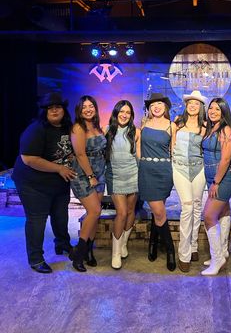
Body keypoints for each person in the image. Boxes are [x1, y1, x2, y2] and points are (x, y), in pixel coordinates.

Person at [12, 92, 76, 273]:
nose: (54, 110)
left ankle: (62, 244)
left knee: (61, 216)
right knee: (37, 220)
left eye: (58, 107)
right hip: (33, 183)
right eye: (50, 108)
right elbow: (29, 159)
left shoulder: (67, 127)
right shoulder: (37, 129)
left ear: (64, 110)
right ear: (45, 111)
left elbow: (67, 148)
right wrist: (59, 168)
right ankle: (36, 259)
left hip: (57, 181)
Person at [138, 92, 176, 272]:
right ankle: (170, 251)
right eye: (153, 104)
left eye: (160, 103)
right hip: (147, 171)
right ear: (149, 108)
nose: (156, 106)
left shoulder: (171, 125)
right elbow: (138, 149)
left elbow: (172, 151)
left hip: (164, 172)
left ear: (165, 106)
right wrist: (143, 164)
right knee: (160, 212)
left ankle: (152, 243)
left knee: (157, 212)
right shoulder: (144, 124)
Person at [69, 95, 106, 272]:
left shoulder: (96, 126)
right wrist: (91, 175)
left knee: (94, 215)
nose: (88, 109)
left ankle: (88, 252)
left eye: (91, 106)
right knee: (95, 210)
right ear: (79, 110)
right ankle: (78, 253)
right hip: (84, 175)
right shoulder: (78, 127)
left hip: (100, 173)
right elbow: (80, 154)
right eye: (84, 107)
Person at [201, 98, 231, 276]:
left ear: (224, 111)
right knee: (223, 213)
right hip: (212, 177)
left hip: (222, 179)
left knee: (208, 216)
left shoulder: (226, 129)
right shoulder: (211, 128)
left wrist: (216, 181)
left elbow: (225, 159)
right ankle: (222, 251)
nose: (213, 111)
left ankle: (217, 259)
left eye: (217, 108)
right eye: (211, 108)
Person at [172, 90, 207, 272]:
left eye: (196, 103)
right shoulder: (177, 123)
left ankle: (193, 246)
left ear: (201, 107)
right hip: (179, 168)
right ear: (186, 105)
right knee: (187, 207)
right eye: (190, 103)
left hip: (199, 168)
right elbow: (172, 147)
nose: (193, 105)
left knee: (197, 205)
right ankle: (183, 253)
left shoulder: (205, 126)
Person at [105, 100, 140, 270]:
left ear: (131, 115)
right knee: (122, 212)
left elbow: (138, 156)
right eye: (122, 111)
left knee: (131, 211)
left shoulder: (136, 132)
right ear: (116, 112)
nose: (124, 115)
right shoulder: (107, 130)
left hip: (133, 175)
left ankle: (123, 244)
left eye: (128, 112)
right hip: (115, 176)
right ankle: (115, 253)